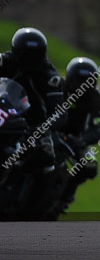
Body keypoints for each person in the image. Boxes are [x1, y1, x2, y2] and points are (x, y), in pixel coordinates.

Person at [0, 28, 63, 172]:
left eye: (34, 56)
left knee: (47, 162)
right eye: (25, 55)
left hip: (35, 125)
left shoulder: (50, 77)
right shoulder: (6, 61)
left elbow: (59, 113)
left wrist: (40, 129)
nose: (29, 61)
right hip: (7, 114)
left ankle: (40, 193)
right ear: (16, 52)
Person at [61, 57, 100, 203]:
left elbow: (97, 130)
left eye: (87, 82)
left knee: (91, 166)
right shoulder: (58, 89)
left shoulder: (97, 99)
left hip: (77, 139)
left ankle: (65, 196)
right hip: (51, 132)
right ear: (70, 80)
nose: (82, 87)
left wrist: (82, 139)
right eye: (79, 81)